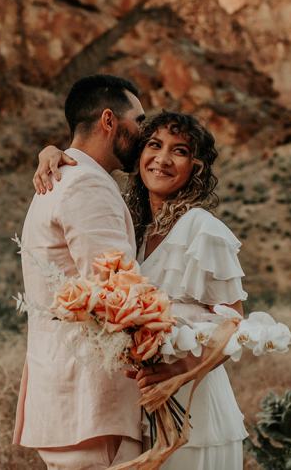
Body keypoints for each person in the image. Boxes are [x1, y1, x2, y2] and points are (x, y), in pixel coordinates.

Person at [34, 111, 248, 470]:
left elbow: (235, 323)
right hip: (143, 412)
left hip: (195, 410)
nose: (162, 159)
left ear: (195, 167)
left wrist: (180, 370)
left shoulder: (202, 229)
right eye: (154, 145)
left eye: (179, 151)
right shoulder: (132, 227)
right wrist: (52, 151)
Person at [13, 74, 148, 470]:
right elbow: (119, 293)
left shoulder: (64, 178)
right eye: (138, 121)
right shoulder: (86, 185)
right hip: (91, 403)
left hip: (70, 401)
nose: (143, 131)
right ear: (109, 120)